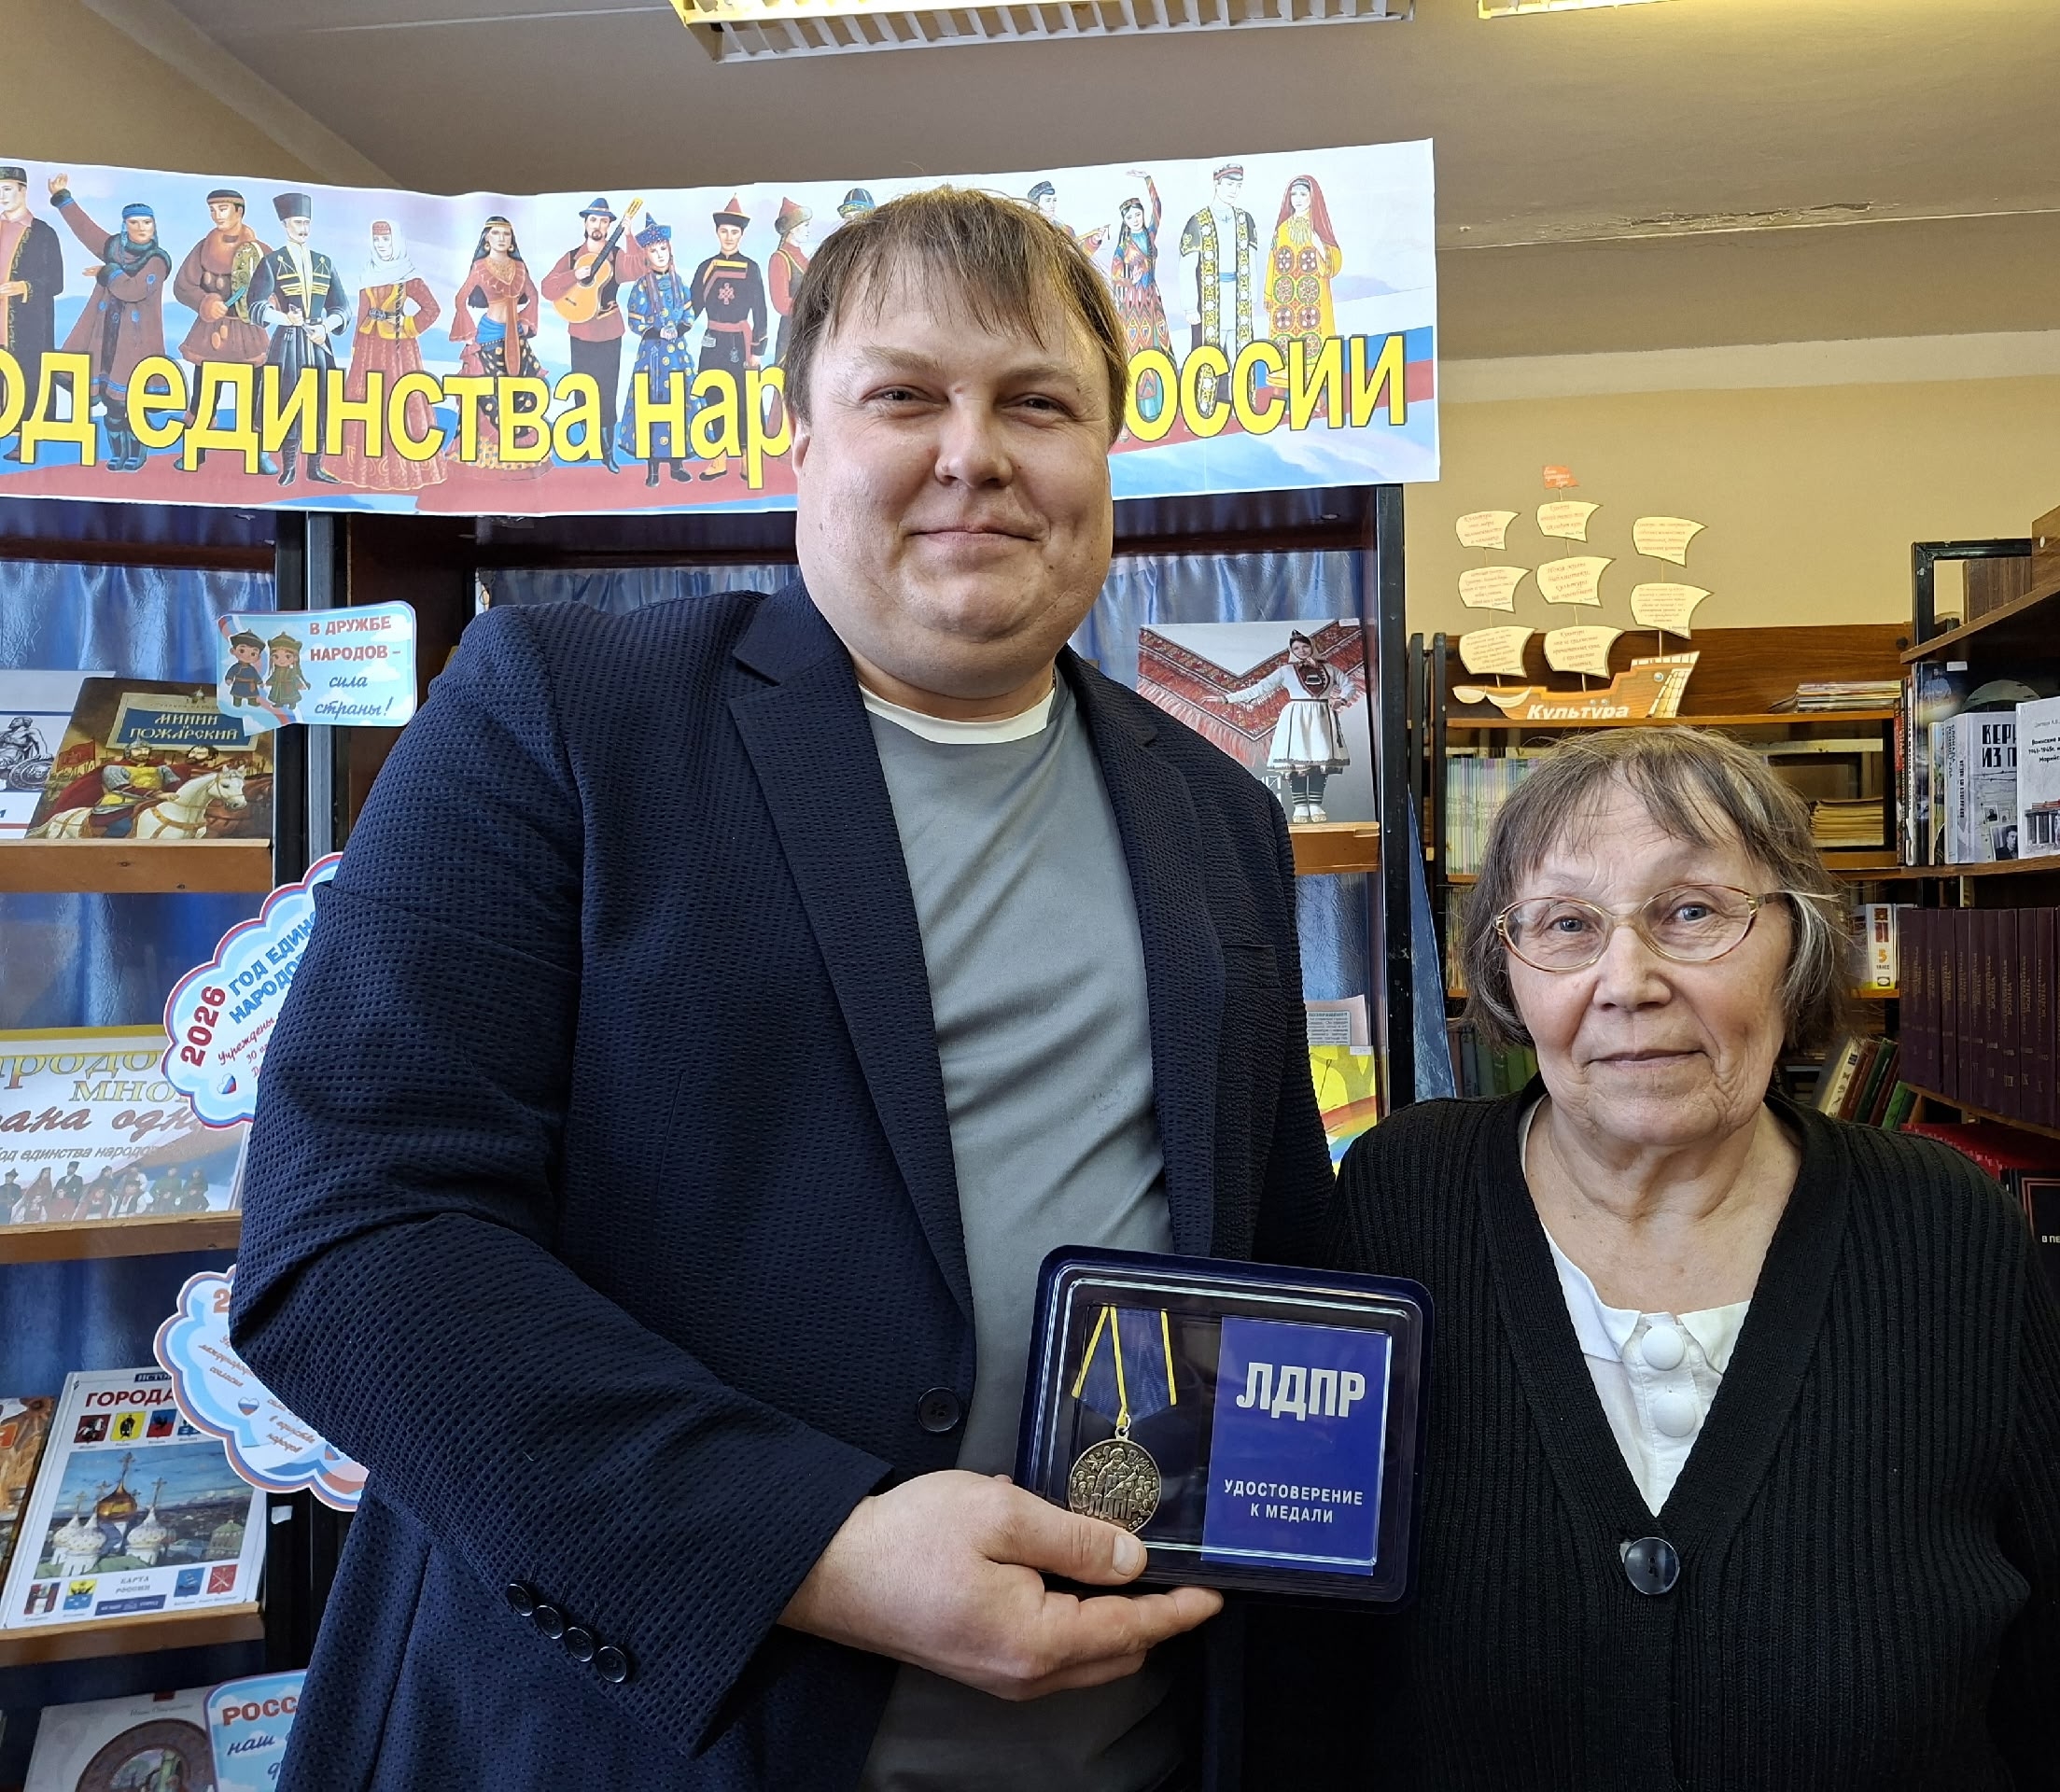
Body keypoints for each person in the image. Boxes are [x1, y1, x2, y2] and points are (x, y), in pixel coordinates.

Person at [233, 183, 1329, 1792]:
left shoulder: (1217, 812)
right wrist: (813, 1547)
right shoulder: (562, 713)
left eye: (1039, 404)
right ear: (799, 441)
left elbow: (1273, 1263)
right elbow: (353, 1242)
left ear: (1108, 454)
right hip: (633, 1742)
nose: (975, 453)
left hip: (1126, 1741)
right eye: (905, 396)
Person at [1250, 726, 2060, 1791]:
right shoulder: (1400, 1198)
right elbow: (1300, 1664)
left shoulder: (1944, 1227)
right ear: (1505, 967)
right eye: (1567, 924)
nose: (1627, 982)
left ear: (1798, 941)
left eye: (1690, 912)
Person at [45, 175, 171, 473]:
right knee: (112, 408)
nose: (141, 228)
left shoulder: (157, 260)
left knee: (131, 403)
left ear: (154, 226)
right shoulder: (114, 247)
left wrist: (107, 271)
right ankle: (118, 453)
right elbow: (86, 230)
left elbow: (133, 289)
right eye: (134, 223)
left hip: (135, 345)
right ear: (125, 226)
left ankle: (137, 452)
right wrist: (63, 198)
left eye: (146, 223)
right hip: (106, 338)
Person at [326, 220, 442, 492]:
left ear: (396, 241)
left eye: (386, 240)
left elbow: (432, 309)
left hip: (399, 351)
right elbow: (362, 315)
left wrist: (407, 325)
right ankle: (361, 470)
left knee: (400, 402)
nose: (381, 245)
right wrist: (356, 348)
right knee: (364, 403)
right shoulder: (368, 273)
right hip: (369, 349)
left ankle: (402, 470)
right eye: (377, 240)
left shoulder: (408, 275)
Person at [245, 191, 347, 486]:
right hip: (288, 343)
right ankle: (289, 467)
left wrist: (326, 326)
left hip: (319, 344)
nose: (303, 228)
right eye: (297, 222)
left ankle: (316, 468)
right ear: (284, 224)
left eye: (306, 222)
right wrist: (283, 318)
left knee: (321, 402)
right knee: (286, 401)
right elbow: (255, 306)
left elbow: (342, 307)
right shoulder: (272, 262)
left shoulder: (324, 262)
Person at [540, 197, 641, 472]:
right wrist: (574, 275)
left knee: (607, 391)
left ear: (609, 225)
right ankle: (586, 445)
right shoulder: (572, 257)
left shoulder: (616, 255)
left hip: (609, 332)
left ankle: (607, 452)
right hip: (581, 331)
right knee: (582, 390)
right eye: (593, 219)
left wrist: (629, 236)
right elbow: (547, 288)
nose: (598, 225)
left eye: (604, 221)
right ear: (585, 223)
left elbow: (639, 268)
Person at [170, 188, 268, 467]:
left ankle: (257, 454)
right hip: (210, 334)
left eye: (222, 209)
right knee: (204, 395)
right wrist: (206, 302)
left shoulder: (260, 250)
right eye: (212, 210)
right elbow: (182, 286)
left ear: (239, 211)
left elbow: (277, 288)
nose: (216, 215)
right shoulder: (203, 248)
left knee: (253, 396)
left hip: (247, 334)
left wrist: (267, 303)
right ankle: (195, 452)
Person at [448, 215, 545, 477]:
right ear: (486, 239)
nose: (501, 238)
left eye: (506, 234)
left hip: (516, 336)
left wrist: (526, 321)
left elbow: (533, 295)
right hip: (489, 335)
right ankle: (488, 458)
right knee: (489, 393)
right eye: (496, 233)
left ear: (512, 240)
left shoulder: (519, 267)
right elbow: (460, 299)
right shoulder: (480, 267)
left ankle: (518, 456)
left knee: (523, 391)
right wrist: (468, 333)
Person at [1226, 629, 1355, 823]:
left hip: (1322, 718)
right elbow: (1260, 688)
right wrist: (1227, 699)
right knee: (1298, 761)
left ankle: (1315, 804)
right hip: (1297, 718)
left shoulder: (1330, 669)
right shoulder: (1286, 671)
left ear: (1312, 647)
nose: (1301, 650)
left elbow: (1349, 685)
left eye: (1305, 646)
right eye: (1296, 648)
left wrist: (1341, 700)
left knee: (1320, 761)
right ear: (1292, 651)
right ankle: (1300, 805)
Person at [686, 196, 767, 478]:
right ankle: (718, 458)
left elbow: (760, 311)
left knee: (745, 401)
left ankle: (746, 459)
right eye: (724, 231)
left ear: (741, 235)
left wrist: (756, 350)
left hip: (741, 344)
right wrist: (673, 329)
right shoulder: (706, 267)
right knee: (714, 397)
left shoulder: (751, 267)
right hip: (713, 342)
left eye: (734, 232)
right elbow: (693, 307)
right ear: (717, 233)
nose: (729, 237)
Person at [615, 217, 695, 486]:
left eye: (663, 249)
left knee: (679, 404)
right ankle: (653, 471)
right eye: (653, 250)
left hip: (677, 356)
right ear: (646, 255)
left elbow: (689, 313)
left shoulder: (679, 282)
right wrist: (657, 332)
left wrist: (680, 329)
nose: (660, 255)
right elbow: (635, 321)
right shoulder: (641, 286)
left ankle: (677, 465)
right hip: (652, 357)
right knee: (651, 405)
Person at [1178, 163, 1257, 405]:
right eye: (1229, 184)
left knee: (1240, 352)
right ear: (1217, 183)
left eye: (1238, 185)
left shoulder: (1245, 219)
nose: (1234, 190)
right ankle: (1205, 405)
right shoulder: (1198, 221)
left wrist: (1252, 295)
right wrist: (1190, 306)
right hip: (1210, 300)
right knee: (1210, 353)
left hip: (1238, 298)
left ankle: (1242, 402)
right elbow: (1187, 266)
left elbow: (1252, 259)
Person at [0, 164, 66, 426]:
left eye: (7, 189)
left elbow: (56, 282)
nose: (2, 196)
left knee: (29, 387)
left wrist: (24, 287)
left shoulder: (43, 233)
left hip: (27, 330)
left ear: (23, 191)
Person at [1266, 176, 1341, 366]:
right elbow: (1272, 263)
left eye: (1303, 194)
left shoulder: (1318, 227)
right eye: (1293, 194)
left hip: (1313, 299)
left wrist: (1320, 246)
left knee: (1315, 348)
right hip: (1285, 300)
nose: (1297, 199)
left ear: (1312, 197)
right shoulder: (1282, 230)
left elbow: (1335, 263)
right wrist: (1269, 296)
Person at [1107, 173, 1170, 362]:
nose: (1135, 219)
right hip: (1134, 300)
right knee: (1137, 344)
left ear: (1142, 214)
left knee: (1159, 338)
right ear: (1125, 221)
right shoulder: (1124, 246)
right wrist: (1129, 280)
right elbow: (1114, 274)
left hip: (1153, 295)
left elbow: (1157, 207)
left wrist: (1148, 179)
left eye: (1137, 214)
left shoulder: (1150, 235)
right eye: (1130, 217)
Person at [764, 197, 810, 371]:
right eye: (805, 225)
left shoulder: (803, 258)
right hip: (791, 333)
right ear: (793, 228)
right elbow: (781, 304)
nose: (808, 231)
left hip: (807, 330)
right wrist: (811, 304)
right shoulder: (779, 259)